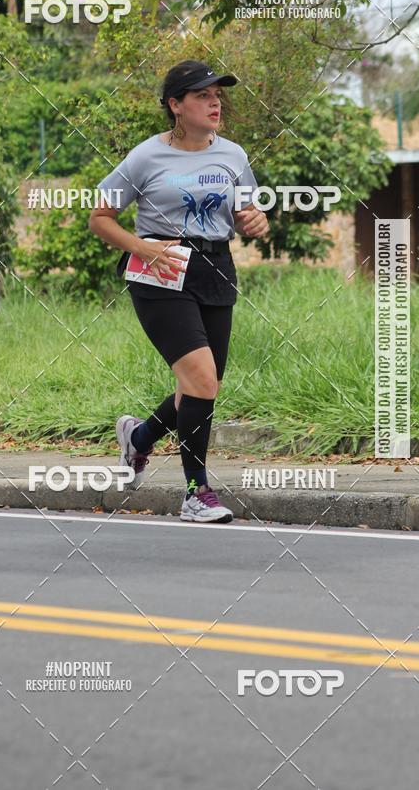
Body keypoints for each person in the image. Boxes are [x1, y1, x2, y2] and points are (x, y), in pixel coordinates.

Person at [89, 60, 269, 523]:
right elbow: (100, 218)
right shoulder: (145, 157)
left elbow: (248, 215)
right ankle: (195, 493)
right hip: (162, 272)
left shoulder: (234, 156)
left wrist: (256, 220)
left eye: (217, 95)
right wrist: (141, 248)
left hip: (216, 269)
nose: (215, 103)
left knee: (203, 386)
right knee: (201, 380)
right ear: (175, 105)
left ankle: (140, 437)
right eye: (203, 95)